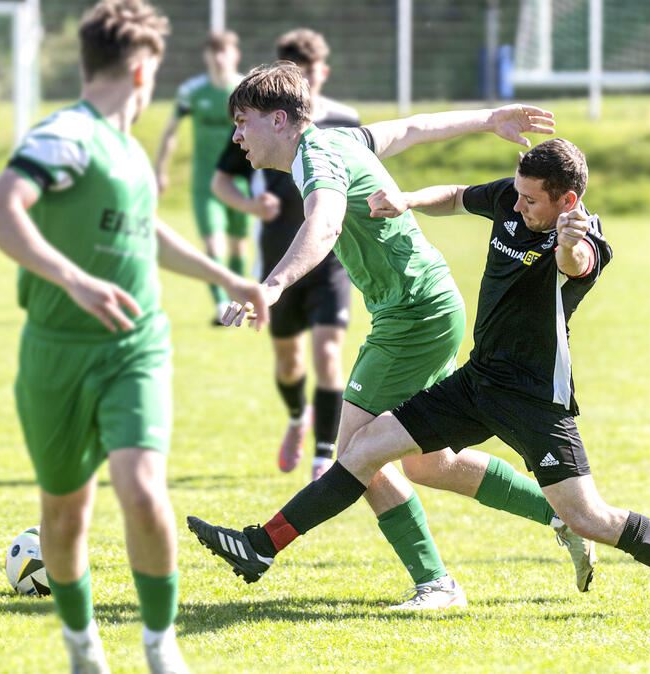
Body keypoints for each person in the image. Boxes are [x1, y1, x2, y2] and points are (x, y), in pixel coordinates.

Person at [190, 139, 650, 619]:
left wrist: (568, 240)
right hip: (475, 382)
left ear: (566, 199)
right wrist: (407, 199)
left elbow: (577, 264)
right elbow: (460, 196)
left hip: (535, 402)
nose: (515, 208)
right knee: (364, 450)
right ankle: (261, 546)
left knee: (589, 517)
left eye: (530, 202)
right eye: (514, 195)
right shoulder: (516, 199)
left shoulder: (583, 238)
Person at [189, 62, 598, 609]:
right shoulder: (340, 139)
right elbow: (411, 129)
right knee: (429, 462)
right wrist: (489, 118)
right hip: (419, 307)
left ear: (280, 120)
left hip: (413, 316)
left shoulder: (318, 158)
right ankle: (560, 514)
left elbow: (326, 222)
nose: (236, 135)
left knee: (359, 452)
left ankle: (430, 583)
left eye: (243, 121)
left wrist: (274, 286)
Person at [0, 2, 265, 672]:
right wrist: (72, 278)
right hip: (54, 352)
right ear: (141, 70)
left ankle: (162, 649)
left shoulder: (131, 152)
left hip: (136, 346)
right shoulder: (66, 137)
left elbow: (144, 231)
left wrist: (230, 278)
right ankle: (83, 649)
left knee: (141, 488)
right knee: (66, 514)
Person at [210, 29, 360, 482]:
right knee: (289, 362)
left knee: (329, 351)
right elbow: (220, 181)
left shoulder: (343, 122)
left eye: (313, 73)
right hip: (278, 255)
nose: (309, 83)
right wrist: (252, 206)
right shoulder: (259, 125)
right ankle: (299, 417)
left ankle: (322, 456)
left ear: (323, 73)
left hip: (331, 258)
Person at [154, 30, 249, 323]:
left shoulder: (246, 90)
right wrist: (160, 169)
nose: (219, 57)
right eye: (214, 51)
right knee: (213, 244)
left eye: (225, 51)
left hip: (240, 181)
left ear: (236, 54)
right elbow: (170, 130)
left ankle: (237, 303)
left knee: (238, 245)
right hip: (205, 183)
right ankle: (221, 306)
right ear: (207, 56)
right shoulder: (192, 91)